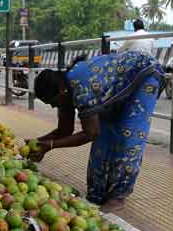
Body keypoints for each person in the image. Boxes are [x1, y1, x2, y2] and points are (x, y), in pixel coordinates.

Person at [30, 51, 165, 205]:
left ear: (60, 91)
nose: (53, 106)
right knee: (104, 139)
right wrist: (38, 142)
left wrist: (50, 145)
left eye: (52, 102)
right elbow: (64, 130)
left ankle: (117, 197)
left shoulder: (80, 86)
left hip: (145, 76)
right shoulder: (65, 92)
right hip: (115, 90)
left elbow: (91, 133)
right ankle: (97, 193)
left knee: (129, 137)